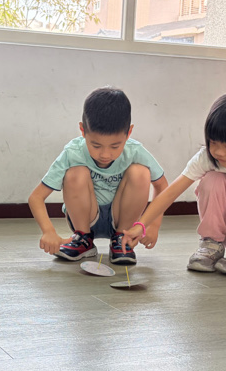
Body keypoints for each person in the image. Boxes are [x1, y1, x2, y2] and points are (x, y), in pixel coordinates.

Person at [122, 92, 226, 283]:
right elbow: (171, 193)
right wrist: (141, 225)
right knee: (212, 179)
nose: (218, 152)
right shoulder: (206, 158)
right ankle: (211, 245)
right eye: (213, 143)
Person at [28, 87, 167, 265]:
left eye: (115, 146)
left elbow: (162, 187)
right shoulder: (73, 152)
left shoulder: (135, 151)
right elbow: (36, 197)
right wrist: (48, 231)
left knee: (140, 173)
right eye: (96, 145)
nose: (105, 154)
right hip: (86, 218)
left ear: (129, 133)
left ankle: (121, 240)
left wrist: (153, 226)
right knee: (75, 173)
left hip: (121, 217)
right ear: (82, 130)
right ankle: (83, 240)